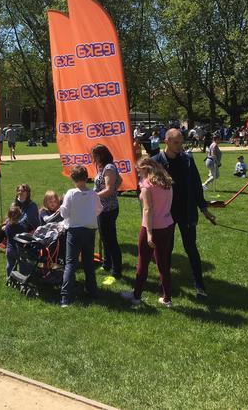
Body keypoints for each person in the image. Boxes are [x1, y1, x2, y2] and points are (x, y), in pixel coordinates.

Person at [152, 128, 216, 297]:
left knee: (191, 248)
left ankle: (200, 286)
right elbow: (145, 190)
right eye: (176, 142)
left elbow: (196, 186)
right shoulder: (155, 162)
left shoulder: (187, 160)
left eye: (181, 142)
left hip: (186, 212)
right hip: (165, 214)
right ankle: (164, 285)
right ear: (166, 142)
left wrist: (204, 209)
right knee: (166, 249)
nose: (180, 146)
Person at [121, 158, 175, 307]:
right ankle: (167, 298)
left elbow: (148, 209)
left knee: (142, 262)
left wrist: (150, 233)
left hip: (152, 227)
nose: (138, 174)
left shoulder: (147, 186)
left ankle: (136, 296)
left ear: (145, 169)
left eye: (139, 171)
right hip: (167, 225)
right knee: (163, 263)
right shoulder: (167, 182)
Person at [59, 165, 102, 307]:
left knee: (70, 263)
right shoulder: (93, 194)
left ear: (73, 178)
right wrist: (88, 215)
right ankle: (93, 291)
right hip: (89, 230)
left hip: (74, 231)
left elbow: (64, 213)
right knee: (88, 263)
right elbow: (99, 209)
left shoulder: (70, 193)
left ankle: (66, 297)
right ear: (86, 177)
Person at [0, 184, 39, 255]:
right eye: (18, 190)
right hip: (16, 224)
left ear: (27, 193)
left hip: (28, 227)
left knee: (8, 227)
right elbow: (10, 216)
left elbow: (26, 220)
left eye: (23, 191)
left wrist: (11, 224)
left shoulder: (32, 205)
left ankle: (5, 248)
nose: (20, 192)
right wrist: (7, 223)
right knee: (3, 225)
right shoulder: (15, 203)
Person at [92, 144, 123, 279]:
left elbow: (110, 189)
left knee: (110, 240)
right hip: (102, 209)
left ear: (101, 155)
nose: (93, 158)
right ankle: (107, 264)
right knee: (105, 239)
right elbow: (119, 180)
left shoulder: (109, 168)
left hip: (108, 209)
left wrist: (93, 196)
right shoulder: (105, 168)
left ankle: (116, 271)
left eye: (95, 155)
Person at [3, 205, 25, 277]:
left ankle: (9, 277)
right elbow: (24, 236)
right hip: (18, 250)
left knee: (10, 264)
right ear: (20, 217)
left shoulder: (7, 226)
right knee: (21, 264)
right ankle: (21, 276)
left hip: (9, 249)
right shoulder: (21, 227)